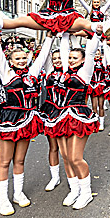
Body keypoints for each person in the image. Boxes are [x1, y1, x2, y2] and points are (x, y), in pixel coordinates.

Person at [0, 27, 54, 215]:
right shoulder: (7, 73)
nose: (21, 61)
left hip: (26, 119)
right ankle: (2, 199)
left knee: (20, 160)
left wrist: (49, 38)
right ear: (11, 61)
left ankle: (18, 193)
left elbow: (43, 56)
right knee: (4, 161)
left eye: (24, 58)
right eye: (17, 59)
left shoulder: (32, 74)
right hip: (7, 120)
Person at [43, 35, 102, 209]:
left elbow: (90, 51)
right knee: (66, 157)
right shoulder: (62, 73)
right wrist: (64, 34)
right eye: (69, 57)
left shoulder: (85, 72)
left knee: (76, 158)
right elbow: (62, 50)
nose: (70, 60)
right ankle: (74, 189)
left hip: (78, 116)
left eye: (75, 58)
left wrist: (96, 32)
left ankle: (86, 192)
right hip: (60, 117)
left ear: (83, 60)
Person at [40, 48, 63, 195]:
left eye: (60, 57)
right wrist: (50, 32)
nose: (57, 60)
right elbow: (45, 55)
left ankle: (74, 181)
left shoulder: (70, 71)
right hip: (50, 112)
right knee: (53, 146)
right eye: (54, 58)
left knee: (68, 151)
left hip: (67, 113)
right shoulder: (49, 72)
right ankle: (55, 177)